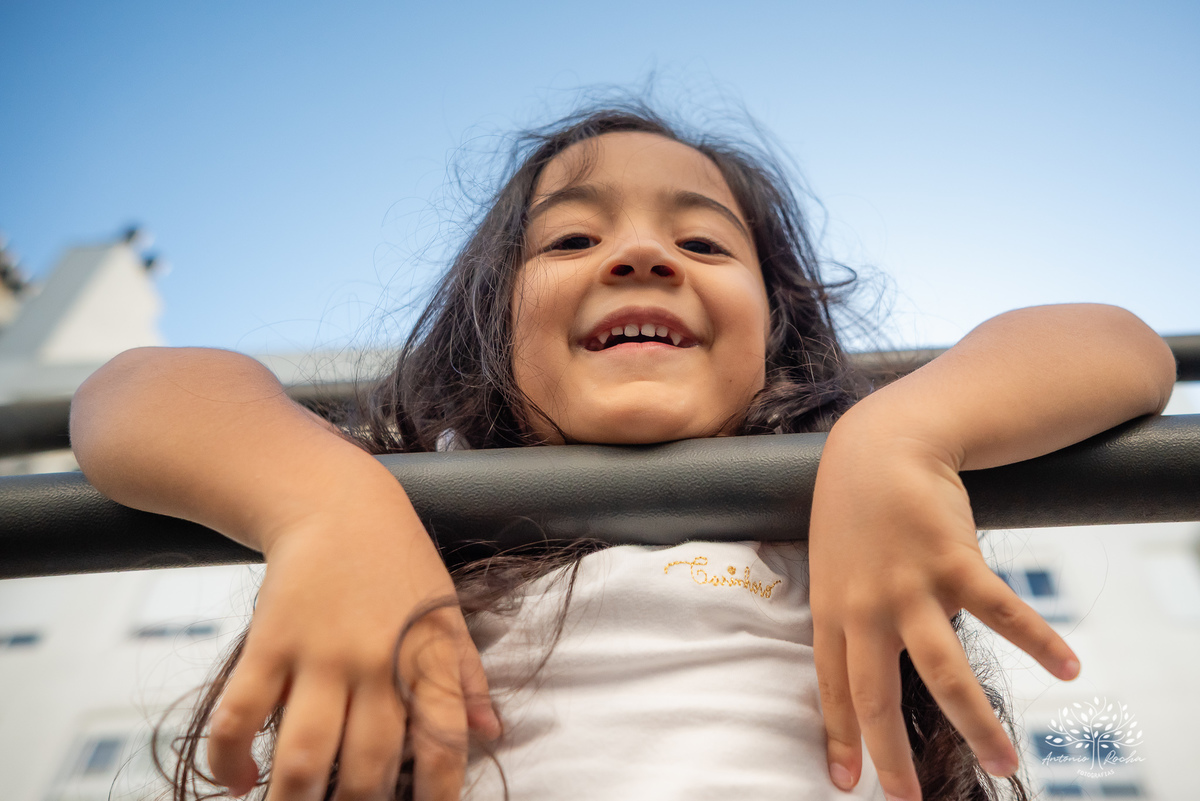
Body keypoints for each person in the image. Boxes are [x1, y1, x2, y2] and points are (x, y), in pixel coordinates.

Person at [69, 104, 1176, 801]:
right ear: (493, 331)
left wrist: (905, 428)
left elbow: (1120, 347)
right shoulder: (421, 517)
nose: (642, 252)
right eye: (573, 238)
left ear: (776, 340)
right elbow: (131, 396)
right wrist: (316, 501)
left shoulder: (839, 491)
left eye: (701, 241)